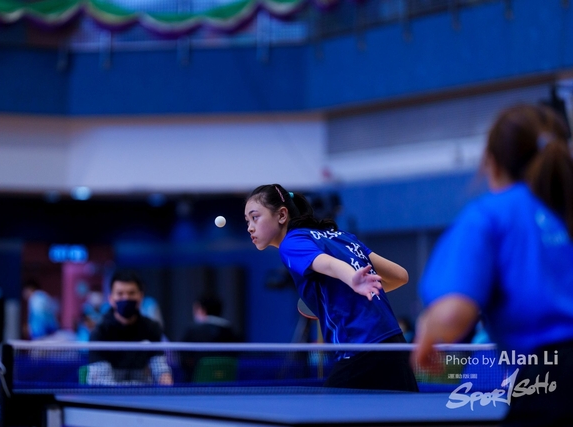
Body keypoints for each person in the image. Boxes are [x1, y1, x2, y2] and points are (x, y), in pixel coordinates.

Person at [411, 104, 573, 425]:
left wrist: (428, 334)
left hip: (551, 383)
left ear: (492, 164)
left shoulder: (490, 215)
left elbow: (453, 313)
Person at [244, 184, 418, 391]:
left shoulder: (291, 244)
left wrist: (353, 279)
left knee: (328, 415)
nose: (250, 227)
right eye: (247, 221)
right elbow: (400, 276)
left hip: (359, 345)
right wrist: (354, 287)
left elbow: (327, 264)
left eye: (255, 217)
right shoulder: (340, 237)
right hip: (393, 343)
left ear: (282, 215)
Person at [88, 270, 172, 385]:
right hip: (108, 397)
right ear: (111, 299)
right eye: (120, 293)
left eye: (131, 293)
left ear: (141, 296)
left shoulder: (151, 328)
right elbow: (102, 380)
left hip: (143, 397)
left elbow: (160, 367)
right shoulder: (100, 332)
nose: (126, 298)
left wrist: (165, 379)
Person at [181, 293, 239, 382]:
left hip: (195, 385)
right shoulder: (232, 332)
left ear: (202, 310)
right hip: (225, 383)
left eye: (196, 309)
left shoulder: (193, 331)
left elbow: (184, 361)